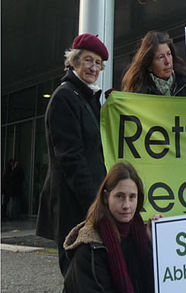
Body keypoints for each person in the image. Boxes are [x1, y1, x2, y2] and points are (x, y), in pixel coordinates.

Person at [36, 33, 109, 276]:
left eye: (98, 63)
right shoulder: (65, 96)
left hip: (87, 201)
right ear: (74, 61)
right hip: (73, 204)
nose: (93, 67)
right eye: (88, 60)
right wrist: (94, 204)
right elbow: (71, 159)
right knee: (76, 274)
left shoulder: (88, 98)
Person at [64, 161, 160, 292]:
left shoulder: (140, 236)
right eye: (119, 196)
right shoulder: (89, 249)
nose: (126, 205)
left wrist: (154, 244)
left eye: (132, 197)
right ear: (105, 197)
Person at [121, 31, 186, 96]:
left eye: (169, 54)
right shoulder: (139, 91)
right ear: (149, 65)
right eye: (161, 57)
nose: (167, 62)